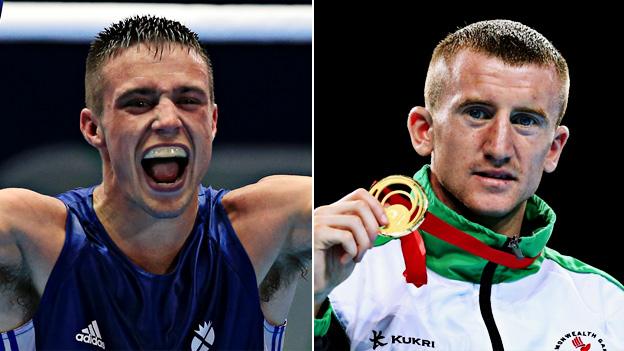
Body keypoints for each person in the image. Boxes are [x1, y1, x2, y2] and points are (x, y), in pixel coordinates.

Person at [0, 15, 311, 350]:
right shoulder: (30, 238)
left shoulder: (271, 224)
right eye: (138, 102)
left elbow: (370, 207)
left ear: (213, 121)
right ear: (93, 128)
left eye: (189, 100)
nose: (167, 120)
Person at [314, 19, 623, 350]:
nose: (499, 148)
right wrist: (310, 299)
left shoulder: (606, 307)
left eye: (525, 121)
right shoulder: (343, 277)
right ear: (424, 130)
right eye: (477, 113)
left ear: (553, 149)